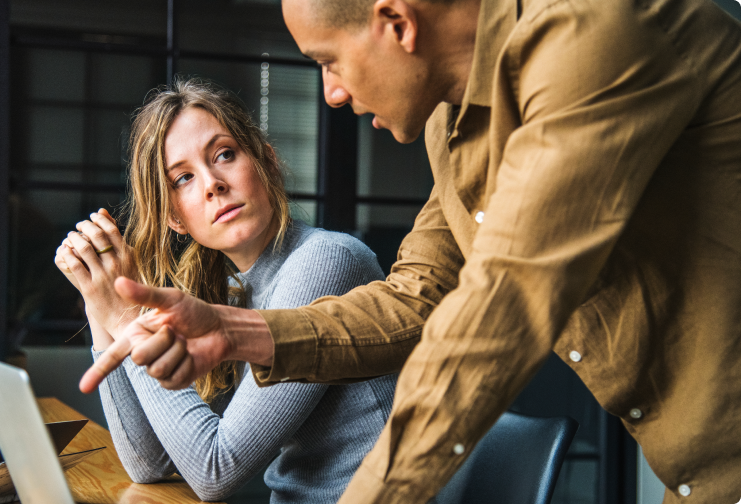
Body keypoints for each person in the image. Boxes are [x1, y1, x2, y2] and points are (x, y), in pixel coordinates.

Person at [82, 0, 741, 502]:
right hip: (693, 472)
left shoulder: (588, 39)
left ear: (395, 22)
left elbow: (500, 310)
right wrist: (234, 331)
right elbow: (416, 297)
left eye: (328, 61)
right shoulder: (452, 125)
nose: (332, 92)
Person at [56, 79, 397, 503]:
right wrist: (98, 297)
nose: (212, 183)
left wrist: (125, 318)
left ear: (267, 162)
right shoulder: (234, 293)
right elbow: (150, 463)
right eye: (183, 178)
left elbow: (215, 471)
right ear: (175, 219)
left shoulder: (327, 260)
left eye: (224, 155)